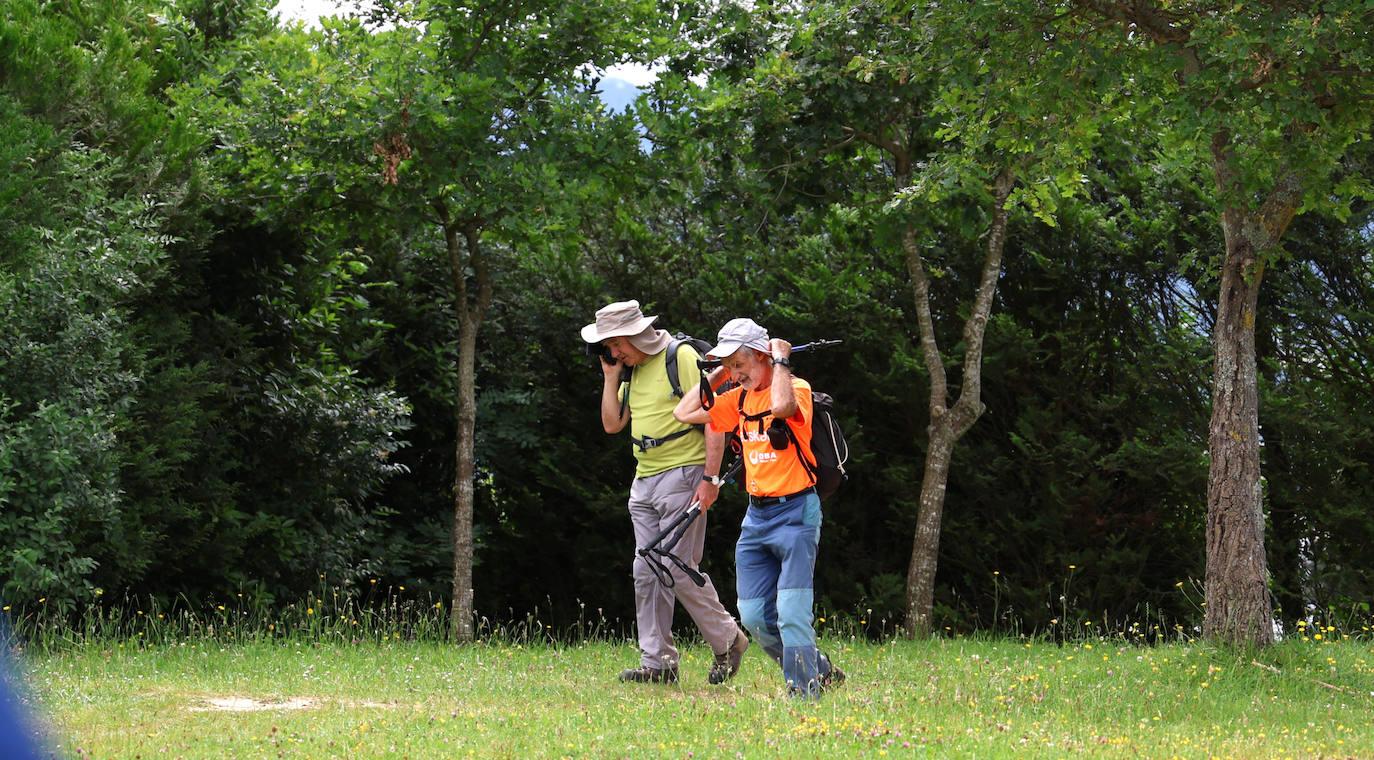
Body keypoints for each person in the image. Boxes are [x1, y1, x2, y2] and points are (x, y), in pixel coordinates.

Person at [673, 317, 845, 698]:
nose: (736, 374)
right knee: (752, 616)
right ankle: (818, 668)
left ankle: (804, 693)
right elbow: (684, 413)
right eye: (731, 367)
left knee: (791, 611)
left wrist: (781, 361)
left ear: (764, 357)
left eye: (741, 365)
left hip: (797, 513)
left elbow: (782, 406)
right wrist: (720, 373)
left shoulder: (796, 387)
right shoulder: (737, 399)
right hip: (757, 517)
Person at [581, 300, 749, 685]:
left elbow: (715, 417)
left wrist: (710, 478)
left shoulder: (682, 356)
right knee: (646, 569)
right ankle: (657, 663)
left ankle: (729, 640)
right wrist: (611, 377)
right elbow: (612, 424)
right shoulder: (632, 370)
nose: (613, 353)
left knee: (675, 565)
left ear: (631, 336)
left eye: (615, 345)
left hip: (684, 474)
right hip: (644, 479)